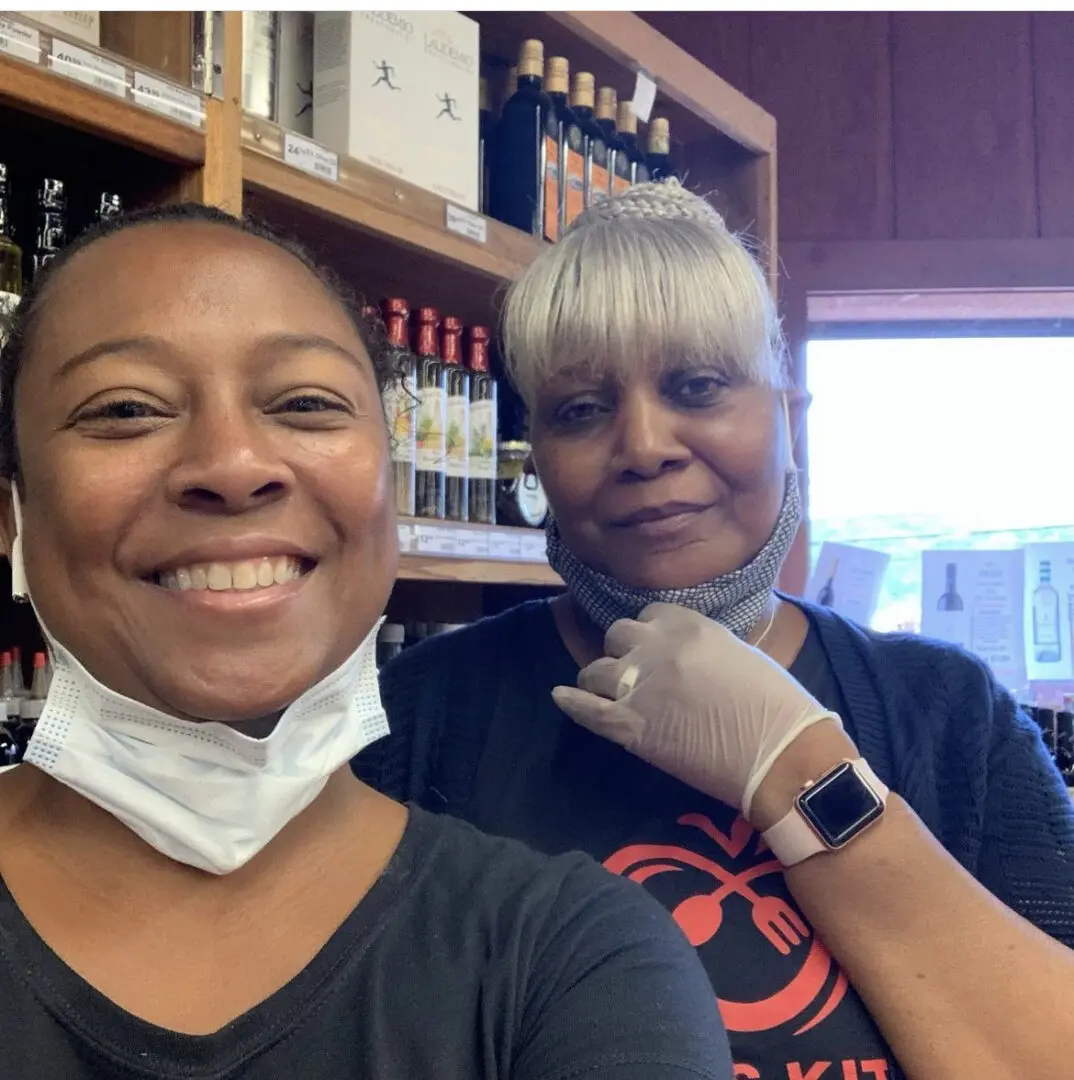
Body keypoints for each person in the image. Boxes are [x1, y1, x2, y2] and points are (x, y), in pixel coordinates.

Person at [0, 202, 735, 1080]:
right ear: (11, 509)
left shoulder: (572, 958)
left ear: (388, 488)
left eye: (305, 403)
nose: (234, 466)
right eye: (126, 409)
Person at [364, 181, 1074, 1080]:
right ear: (535, 455)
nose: (646, 446)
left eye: (697, 387)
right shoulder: (418, 719)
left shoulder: (949, 715)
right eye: (581, 409)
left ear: (790, 418)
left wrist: (797, 766)